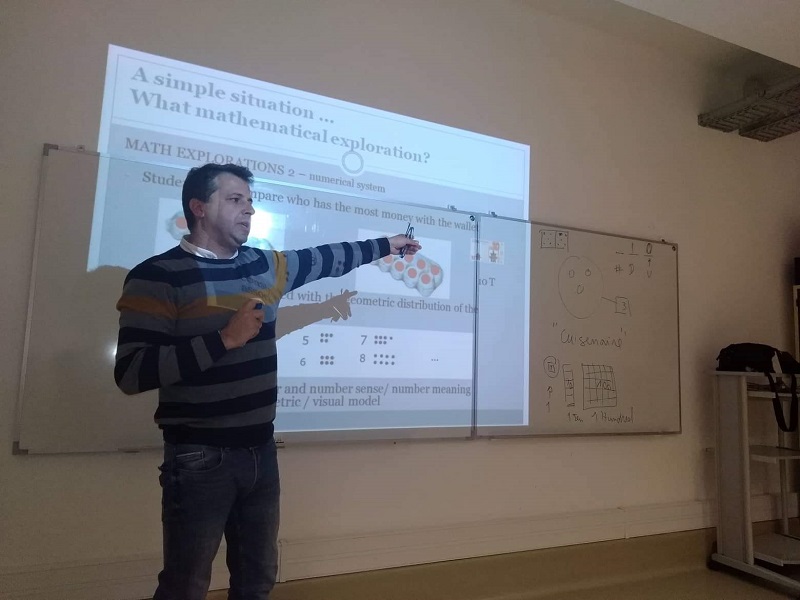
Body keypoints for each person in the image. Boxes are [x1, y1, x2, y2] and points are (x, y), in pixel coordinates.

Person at [114, 163, 420, 600]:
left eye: (250, 201)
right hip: (198, 457)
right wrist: (223, 339)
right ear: (199, 207)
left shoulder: (263, 266)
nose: (249, 210)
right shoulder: (158, 276)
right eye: (235, 200)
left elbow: (326, 258)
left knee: (257, 580)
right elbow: (131, 373)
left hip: (260, 450)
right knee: (187, 584)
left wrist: (388, 245)